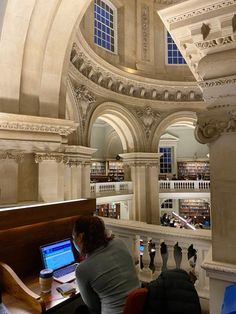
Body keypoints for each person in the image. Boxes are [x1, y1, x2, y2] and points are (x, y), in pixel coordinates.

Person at [72, 216, 140, 314]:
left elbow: (94, 308)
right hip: (139, 308)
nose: (73, 242)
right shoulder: (119, 243)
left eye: (73, 237)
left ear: (80, 237)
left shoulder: (82, 269)